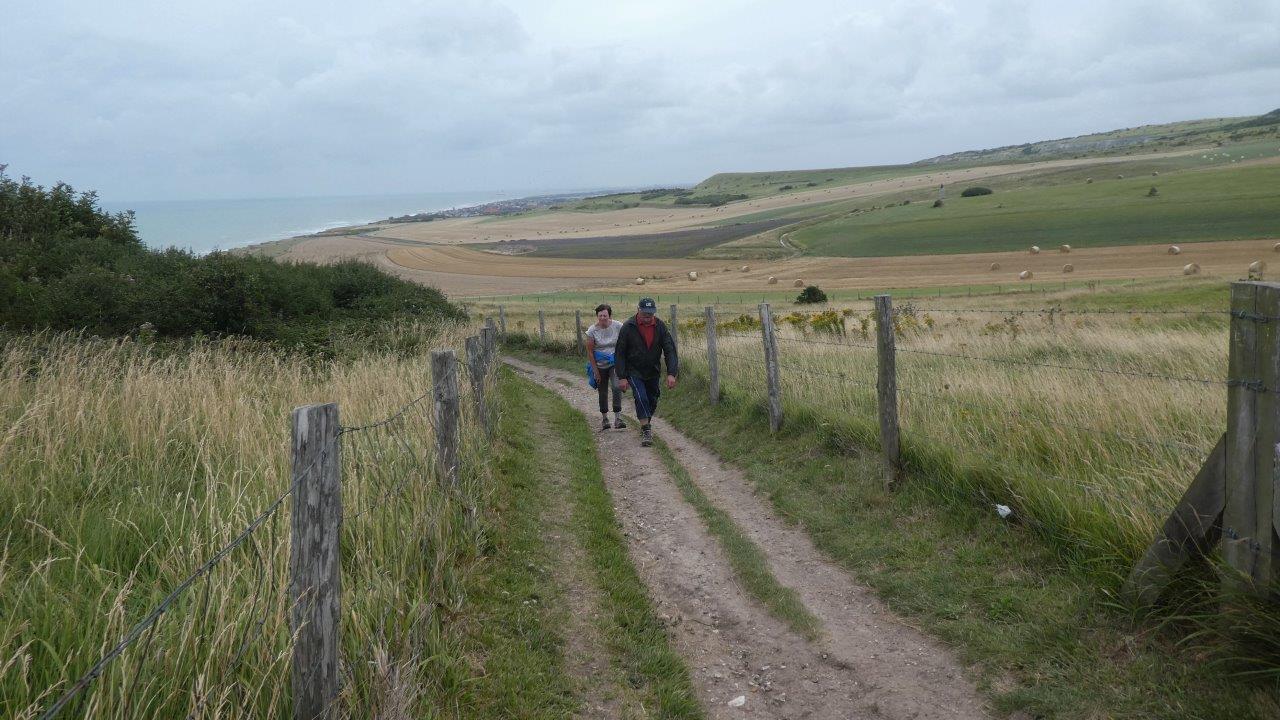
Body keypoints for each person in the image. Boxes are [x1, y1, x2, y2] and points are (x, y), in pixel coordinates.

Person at [614, 297, 678, 447]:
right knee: (641, 397)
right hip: (634, 370)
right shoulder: (628, 327)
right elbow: (620, 353)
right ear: (638, 310)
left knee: (652, 399)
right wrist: (622, 376)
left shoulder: (660, 326)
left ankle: (645, 422)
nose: (648, 318)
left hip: (653, 370)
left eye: (651, 314)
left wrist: (671, 373)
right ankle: (646, 430)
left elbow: (669, 350)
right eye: (645, 314)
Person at [585, 303, 626, 431]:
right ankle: (604, 419)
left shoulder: (618, 326)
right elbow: (590, 352)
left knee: (616, 386)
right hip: (600, 365)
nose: (603, 318)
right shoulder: (592, 331)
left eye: (605, 315)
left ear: (610, 315)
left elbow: (625, 342)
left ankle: (618, 418)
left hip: (614, 363)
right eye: (600, 315)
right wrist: (595, 371)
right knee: (602, 392)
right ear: (597, 316)